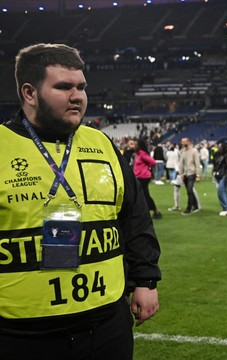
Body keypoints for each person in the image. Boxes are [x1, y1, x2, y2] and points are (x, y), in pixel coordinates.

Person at [0, 43, 160, 359]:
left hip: (107, 324)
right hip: (22, 333)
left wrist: (146, 280)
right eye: (63, 87)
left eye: (81, 87)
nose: (78, 96)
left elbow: (133, 216)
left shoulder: (101, 142)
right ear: (30, 93)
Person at [129, 138, 162, 219]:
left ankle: (156, 211)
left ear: (139, 146)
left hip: (143, 177)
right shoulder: (137, 154)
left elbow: (153, 162)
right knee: (141, 195)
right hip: (139, 177)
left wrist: (145, 169)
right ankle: (146, 212)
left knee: (145, 195)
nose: (134, 146)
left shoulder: (142, 154)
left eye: (136, 145)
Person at [178, 136, 201, 215]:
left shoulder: (194, 151)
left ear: (188, 142)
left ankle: (189, 208)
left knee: (189, 190)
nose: (183, 143)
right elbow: (180, 163)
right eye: (182, 142)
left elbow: (197, 163)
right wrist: (181, 174)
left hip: (192, 173)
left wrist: (198, 175)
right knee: (189, 191)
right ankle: (196, 206)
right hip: (185, 174)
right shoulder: (182, 152)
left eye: (184, 142)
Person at [212, 139, 227, 216]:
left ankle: (225, 208)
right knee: (225, 191)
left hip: (225, 174)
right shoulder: (219, 155)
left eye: (220, 146)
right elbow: (215, 164)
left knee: (220, 191)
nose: (218, 147)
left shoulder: (226, 155)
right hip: (223, 174)